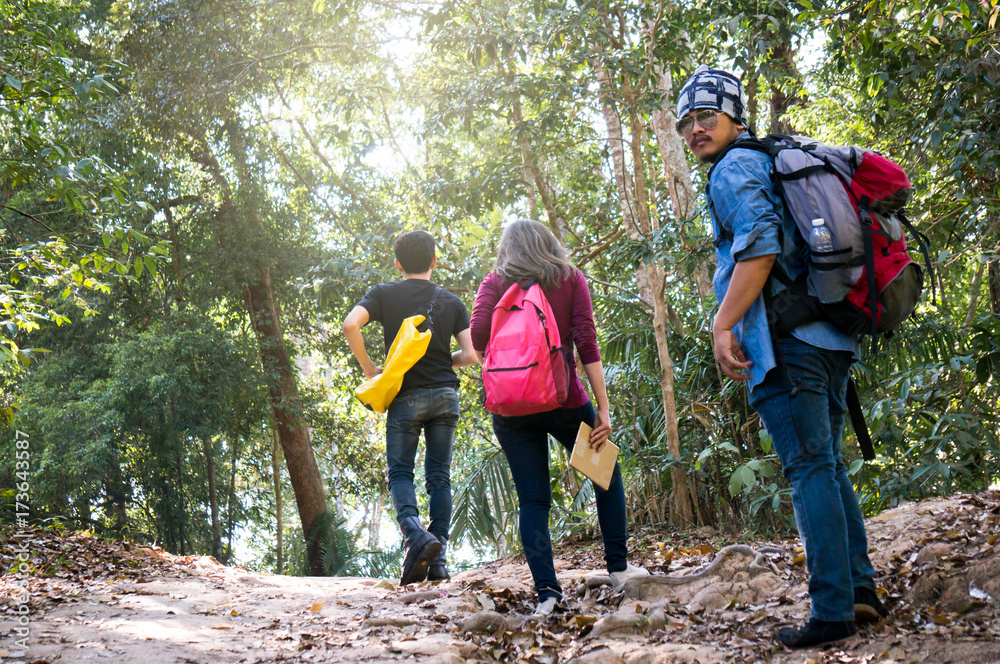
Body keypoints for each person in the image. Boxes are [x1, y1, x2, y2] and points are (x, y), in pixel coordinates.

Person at [675, 65, 889, 648]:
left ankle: (831, 611)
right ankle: (859, 592)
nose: (696, 129)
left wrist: (723, 324)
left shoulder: (733, 169)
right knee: (827, 463)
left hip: (788, 346)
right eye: (686, 122)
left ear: (735, 118)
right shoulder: (768, 159)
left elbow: (761, 243)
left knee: (809, 467)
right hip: (831, 338)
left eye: (706, 117)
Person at [470, 219, 648, 616]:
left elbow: (479, 336)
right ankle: (618, 568)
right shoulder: (568, 278)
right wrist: (602, 408)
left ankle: (547, 594)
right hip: (564, 401)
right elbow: (586, 341)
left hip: (511, 409)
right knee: (604, 473)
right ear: (549, 244)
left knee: (533, 500)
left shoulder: (493, 282)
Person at [343, 230, 478, 585]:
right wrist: (442, 360)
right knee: (439, 478)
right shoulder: (451, 301)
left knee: (401, 473)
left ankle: (416, 536)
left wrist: (371, 369)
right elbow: (470, 355)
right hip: (446, 396)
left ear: (398, 263)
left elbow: (350, 324)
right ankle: (439, 561)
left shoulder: (383, 294)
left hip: (406, 397)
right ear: (434, 261)